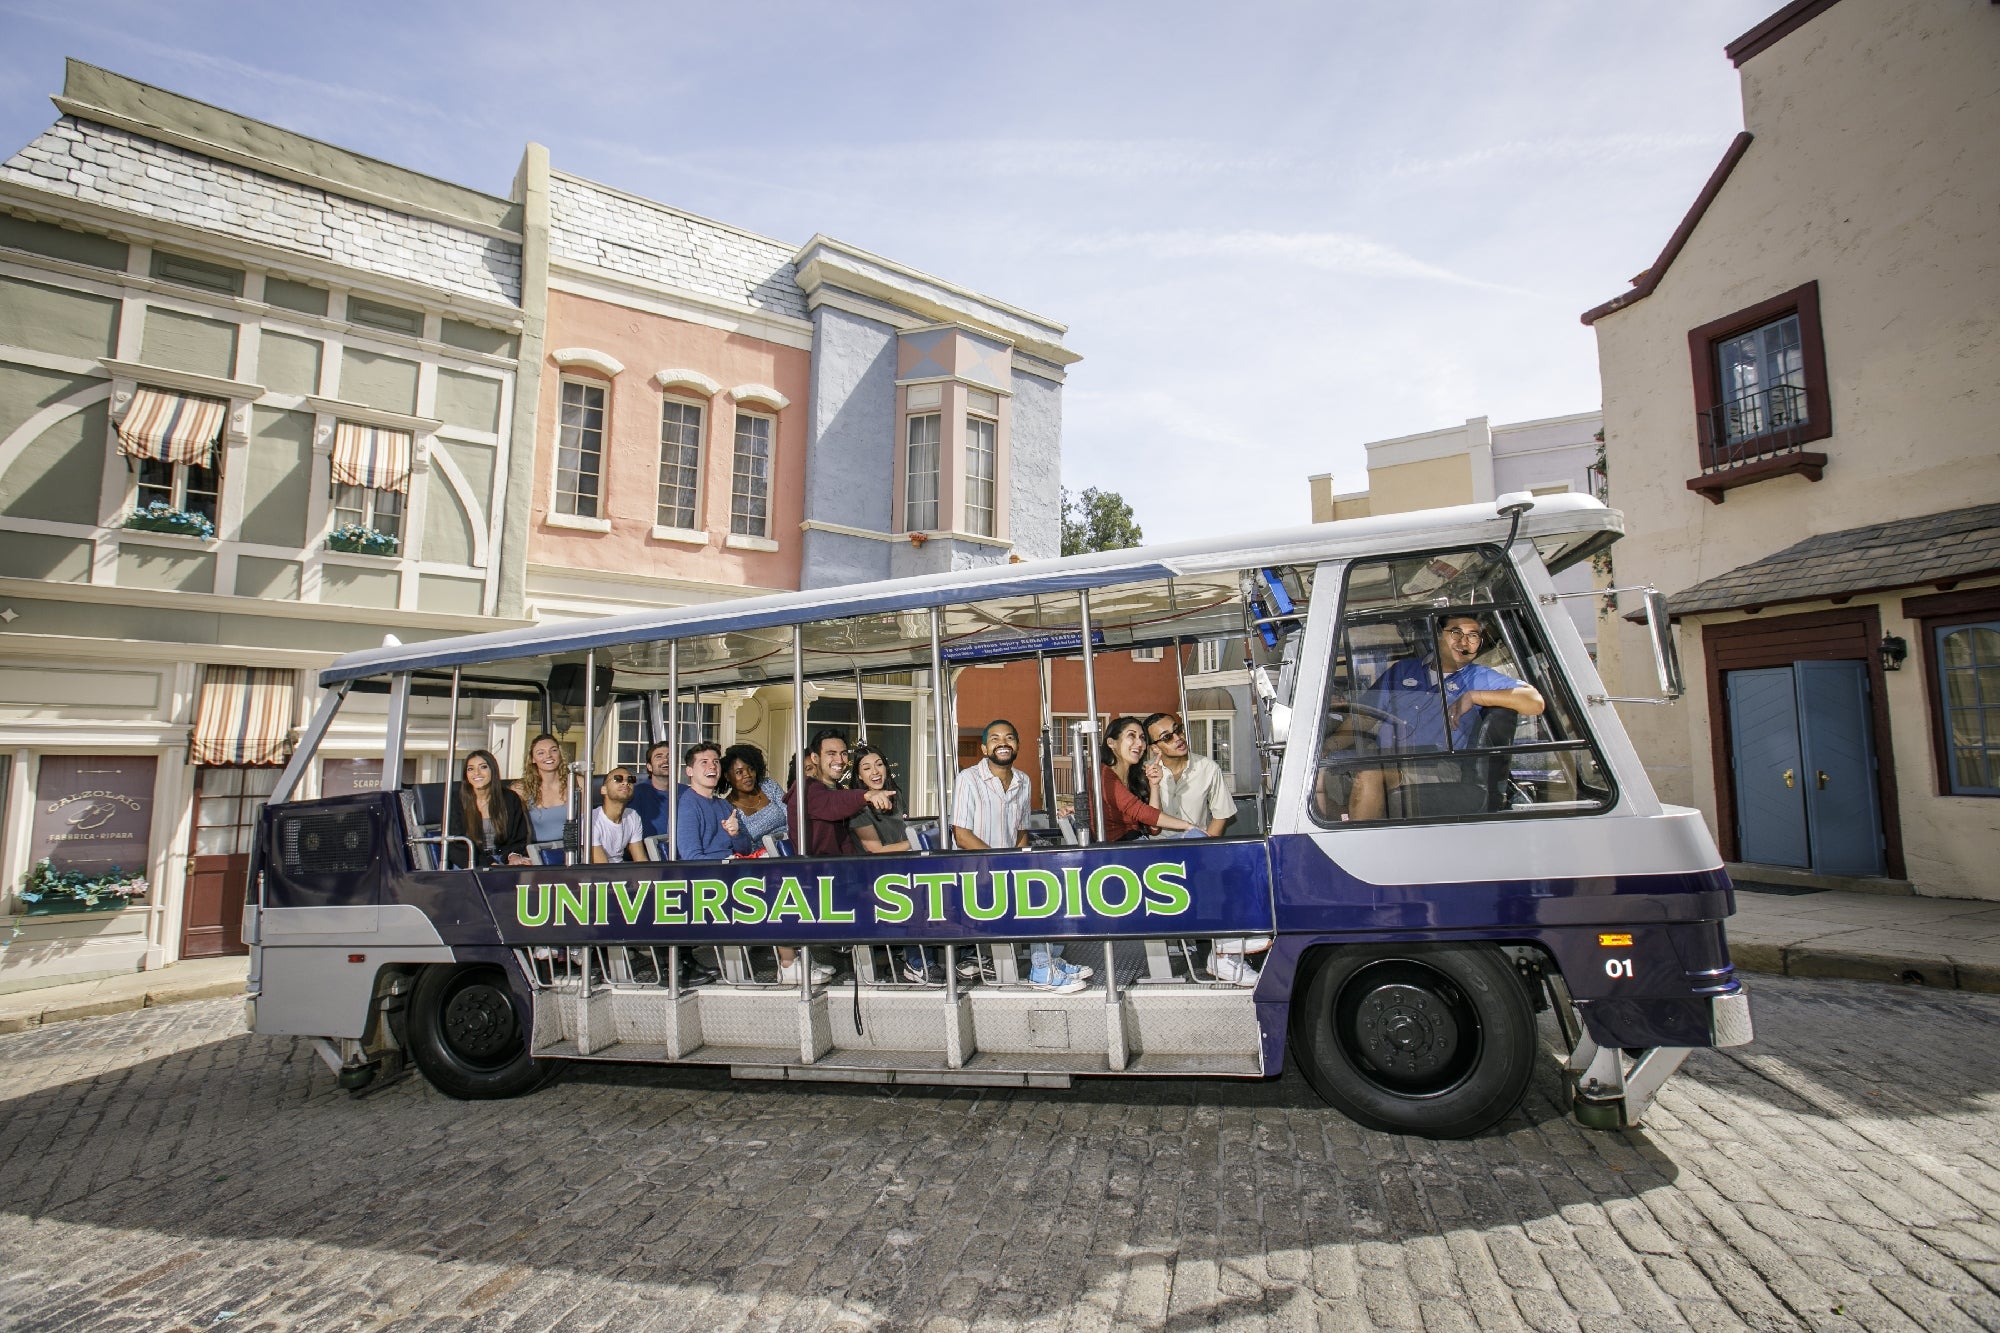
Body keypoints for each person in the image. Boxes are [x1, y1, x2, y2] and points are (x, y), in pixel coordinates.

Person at [1343, 614, 1545, 822]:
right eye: (1456, 633)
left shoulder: (1478, 677)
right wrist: (1330, 746)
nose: (1464, 642)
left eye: (1472, 636)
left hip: (1436, 765)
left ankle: (1368, 850)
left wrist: (1474, 696)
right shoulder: (1403, 671)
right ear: (1437, 635)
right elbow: (1363, 716)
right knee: (1322, 776)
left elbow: (1534, 702)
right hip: (1388, 758)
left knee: (1370, 773)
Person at [952, 719, 1082, 992]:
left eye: (1009, 738)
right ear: (985, 748)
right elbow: (961, 835)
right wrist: (1002, 863)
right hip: (975, 871)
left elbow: (1021, 830)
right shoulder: (968, 779)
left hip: (1006, 867)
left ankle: (1049, 961)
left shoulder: (1023, 780)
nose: (1003, 743)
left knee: (1056, 883)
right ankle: (1040, 969)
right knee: (1037, 894)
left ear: (1017, 745)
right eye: (996, 738)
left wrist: (1020, 861)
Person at [1143, 712, 1268, 985]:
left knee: (1236, 860)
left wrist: (1208, 847)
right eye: (1167, 737)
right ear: (1155, 747)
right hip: (1156, 854)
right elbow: (1150, 823)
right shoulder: (1145, 772)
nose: (1178, 738)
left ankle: (1227, 945)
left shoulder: (1207, 768)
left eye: (1178, 730)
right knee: (1204, 855)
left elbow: (1221, 815)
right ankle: (1223, 949)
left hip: (1196, 850)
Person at [776, 729, 887, 985]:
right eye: (831, 753)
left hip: (836, 873)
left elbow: (843, 839)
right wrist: (866, 795)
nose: (839, 759)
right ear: (814, 758)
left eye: (843, 753)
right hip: (816, 879)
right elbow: (831, 805)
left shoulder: (830, 788)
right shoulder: (806, 789)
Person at [848, 744, 941, 984]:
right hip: (872, 875)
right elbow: (875, 849)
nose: (875, 771)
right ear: (859, 776)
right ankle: (917, 963)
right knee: (915, 893)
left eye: (879, 765)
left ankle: (967, 956)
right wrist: (917, 843)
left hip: (898, 868)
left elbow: (901, 836)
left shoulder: (895, 796)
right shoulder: (858, 808)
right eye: (867, 768)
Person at [1098, 716, 1202, 843]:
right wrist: (1188, 826)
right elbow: (1140, 811)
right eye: (1131, 735)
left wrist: (1154, 785)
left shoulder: (1135, 777)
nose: (1140, 743)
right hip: (1117, 852)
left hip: (1139, 846)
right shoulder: (1101, 773)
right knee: (1196, 835)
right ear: (1111, 743)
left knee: (1196, 837)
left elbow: (1154, 828)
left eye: (1142, 738)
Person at [451, 749, 531, 868]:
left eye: (483, 767)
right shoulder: (455, 800)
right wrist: (488, 865)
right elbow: (455, 845)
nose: (476, 773)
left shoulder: (510, 798)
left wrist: (513, 855)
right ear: (466, 775)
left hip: (503, 859)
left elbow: (518, 838)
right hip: (469, 862)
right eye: (470, 769)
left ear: (492, 770)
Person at [675, 741, 755, 860]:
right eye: (704, 762)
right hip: (707, 874)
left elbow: (746, 850)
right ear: (689, 771)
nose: (712, 766)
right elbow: (691, 858)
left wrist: (736, 834)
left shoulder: (724, 804)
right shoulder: (687, 806)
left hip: (732, 868)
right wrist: (724, 863)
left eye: (716, 762)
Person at [721, 743, 791, 845]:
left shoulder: (768, 785)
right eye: (739, 772)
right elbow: (743, 844)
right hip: (761, 857)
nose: (748, 775)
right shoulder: (727, 807)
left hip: (791, 846)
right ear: (727, 776)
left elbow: (791, 815)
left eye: (751, 769)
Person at [516, 732, 573, 849]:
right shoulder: (520, 789)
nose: (548, 756)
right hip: (535, 851)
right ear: (532, 759)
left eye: (553, 750)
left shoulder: (577, 782)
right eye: (541, 753)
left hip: (572, 850)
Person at [626, 739, 678, 842]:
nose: (665, 760)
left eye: (669, 756)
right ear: (649, 767)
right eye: (659, 757)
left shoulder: (687, 793)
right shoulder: (635, 794)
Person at [589, 767, 644, 864]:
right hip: (597, 876)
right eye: (618, 779)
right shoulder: (591, 821)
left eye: (630, 780)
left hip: (622, 872)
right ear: (603, 790)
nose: (625, 783)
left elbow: (641, 860)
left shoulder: (632, 816)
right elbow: (601, 868)